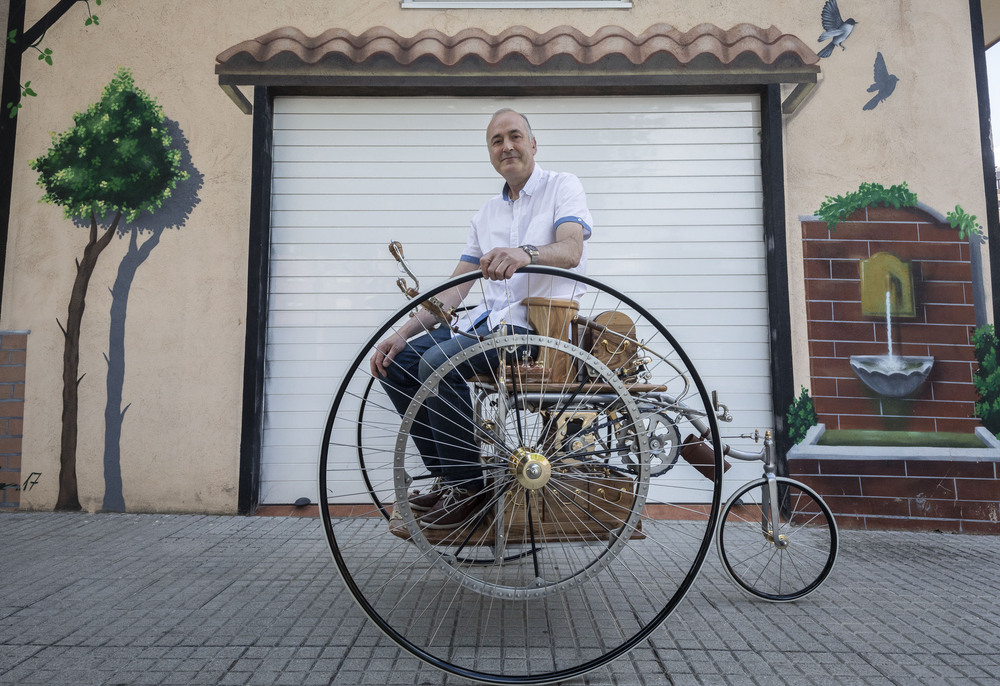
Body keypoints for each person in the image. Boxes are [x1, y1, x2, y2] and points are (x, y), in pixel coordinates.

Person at [370, 108, 593, 529]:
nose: (507, 146)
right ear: (490, 153)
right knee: (397, 363)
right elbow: (455, 290)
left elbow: (571, 249)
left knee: (437, 364)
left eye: (515, 136)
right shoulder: (487, 213)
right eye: (496, 140)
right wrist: (400, 334)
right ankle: (450, 480)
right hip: (490, 328)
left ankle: (471, 494)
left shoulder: (562, 187)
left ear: (532, 143)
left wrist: (525, 254)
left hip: (538, 331)